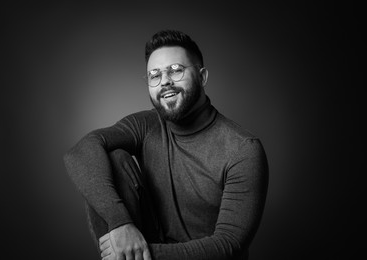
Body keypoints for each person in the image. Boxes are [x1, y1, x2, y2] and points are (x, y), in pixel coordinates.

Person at [64, 29, 269, 260]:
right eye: (154, 75)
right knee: (110, 157)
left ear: (202, 77)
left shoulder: (242, 149)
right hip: (142, 248)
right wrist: (120, 222)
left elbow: (229, 244)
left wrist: (139, 254)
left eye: (176, 70)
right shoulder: (147, 124)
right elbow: (80, 152)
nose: (165, 82)